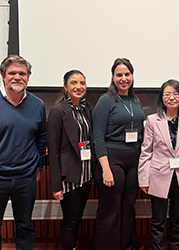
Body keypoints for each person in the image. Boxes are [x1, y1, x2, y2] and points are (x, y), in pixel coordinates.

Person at [93, 58, 145, 250]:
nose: (124, 78)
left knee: (128, 208)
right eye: (119, 75)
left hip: (134, 160)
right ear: (113, 78)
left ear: (132, 76)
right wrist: (105, 169)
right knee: (110, 210)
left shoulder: (135, 101)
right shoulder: (105, 100)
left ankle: (125, 246)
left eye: (127, 74)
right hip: (112, 160)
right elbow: (97, 137)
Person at [138, 79, 179, 250]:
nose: (172, 97)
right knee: (158, 219)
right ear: (162, 98)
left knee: (177, 218)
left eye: (176, 94)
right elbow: (146, 151)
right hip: (158, 176)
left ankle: (174, 247)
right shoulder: (152, 120)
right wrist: (143, 179)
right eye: (167, 94)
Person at [0, 54, 46, 250]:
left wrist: (38, 166)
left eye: (22, 73)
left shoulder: (38, 105)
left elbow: (41, 137)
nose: (17, 77)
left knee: (25, 225)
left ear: (28, 77)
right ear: (3, 76)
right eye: (12, 73)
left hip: (26, 177)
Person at [47, 70, 94, 250]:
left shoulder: (86, 109)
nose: (79, 87)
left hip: (86, 174)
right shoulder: (58, 112)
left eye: (82, 83)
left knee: (77, 218)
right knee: (70, 220)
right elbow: (53, 151)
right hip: (70, 177)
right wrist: (55, 185)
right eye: (74, 83)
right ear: (65, 87)